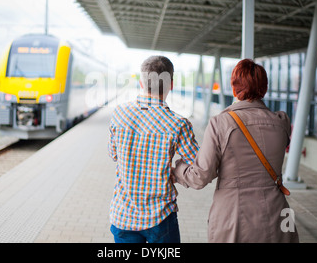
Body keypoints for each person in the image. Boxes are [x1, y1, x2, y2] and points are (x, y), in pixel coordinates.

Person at [173, 59, 299, 243]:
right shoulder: (281, 122)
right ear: (264, 88)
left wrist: (177, 168)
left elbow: (201, 176)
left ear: (234, 87)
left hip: (233, 217)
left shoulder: (220, 123)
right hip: (278, 215)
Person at [108, 55, 199, 243]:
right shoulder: (178, 124)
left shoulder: (119, 113)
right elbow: (199, 164)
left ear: (142, 83)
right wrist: (176, 171)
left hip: (123, 215)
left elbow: (113, 154)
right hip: (161, 218)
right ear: (171, 85)